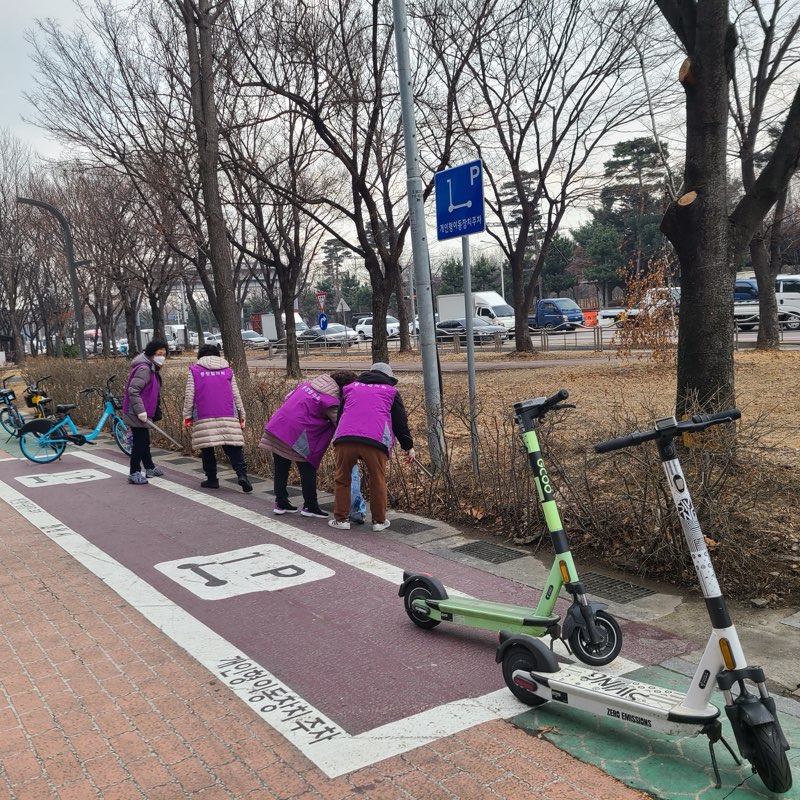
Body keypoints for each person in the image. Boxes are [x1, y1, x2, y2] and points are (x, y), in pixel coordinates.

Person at [329, 362, 415, 532]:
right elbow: (400, 423)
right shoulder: (391, 391)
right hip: (375, 441)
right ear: (389, 378)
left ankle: (341, 520)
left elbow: (340, 416)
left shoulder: (350, 388)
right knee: (378, 480)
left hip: (346, 438)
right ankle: (378, 521)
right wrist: (408, 446)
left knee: (342, 478)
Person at [259, 371, 357, 518]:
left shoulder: (305, 386)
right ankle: (310, 506)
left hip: (278, 427)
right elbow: (341, 423)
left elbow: (287, 398)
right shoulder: (330, 401)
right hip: (298, 436)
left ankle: (281, 503)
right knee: (308, 469)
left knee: (281, 468)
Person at [182, 344, 252, 492]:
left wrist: (187, 416)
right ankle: (242, 475)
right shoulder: (228, 371)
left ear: (200, 357)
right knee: (233, 446)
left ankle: (212, 479)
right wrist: (242, 415)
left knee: (207, 449)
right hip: (228, 413)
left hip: (203, 414)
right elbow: (236, 395)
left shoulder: (194, 371)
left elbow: (190, 396)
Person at [122, 339, 168, 485]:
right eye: (159, 353)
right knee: (140, 442)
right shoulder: (145, 368)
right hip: (136, 411)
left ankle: (149, 467)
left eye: (164, 354)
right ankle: (134, 472)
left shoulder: (151, 367)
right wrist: (141, 411)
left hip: (142, 410)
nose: (162, 356)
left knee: (144, 440)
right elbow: (133, 391)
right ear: (151, 353)